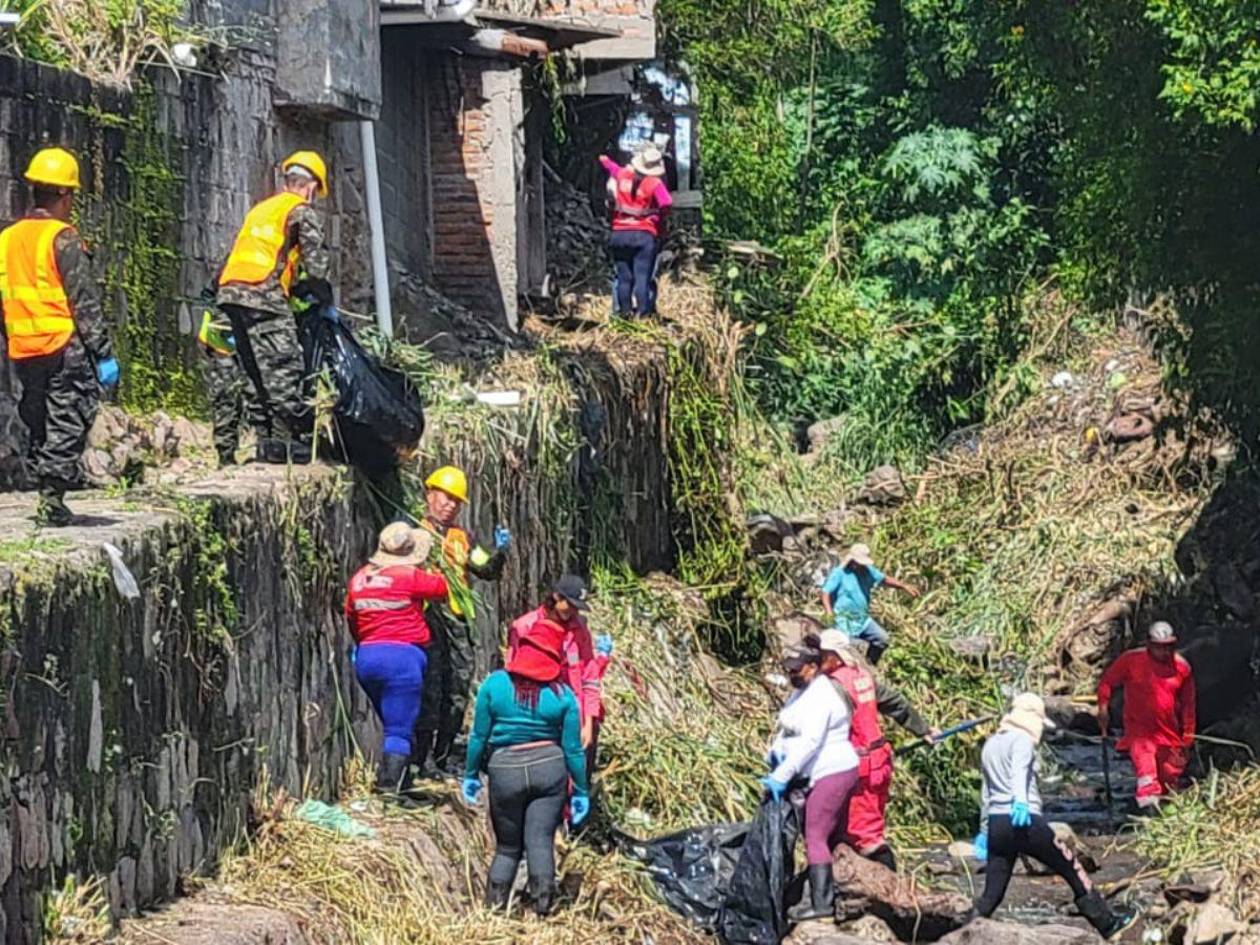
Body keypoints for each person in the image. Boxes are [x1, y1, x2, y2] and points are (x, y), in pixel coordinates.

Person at [0, 148, 118, 526]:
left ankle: (46, 482)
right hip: (63, 345)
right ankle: (52, 497)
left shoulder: (7, 239)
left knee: (37, 416)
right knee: (69, 415)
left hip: (24, 347)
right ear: (65, 195)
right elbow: (83, 301)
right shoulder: (62, 238)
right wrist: (102, 353)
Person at [974, 693, 1135, 937]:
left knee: (992, 894)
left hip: (998, 822)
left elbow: (986, 791)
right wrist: (1021, 803)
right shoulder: (1021, 741)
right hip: (1025, 820)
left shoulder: (991, 744)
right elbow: (1019, 773)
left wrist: (985, 829)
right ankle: (1108, 924)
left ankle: (960, 931)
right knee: (1072, 868)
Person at [462, 618, 589, 915]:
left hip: (505, 770)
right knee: (540, 842)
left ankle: (493, 911)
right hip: (549, 768)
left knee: (508, 848)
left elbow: (478, 736)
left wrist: (470, 774)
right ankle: (543, 911)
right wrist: (581, 789)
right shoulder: (563, 695)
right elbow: (573, 750)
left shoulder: (494, 685)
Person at [216, 150, 332, 465]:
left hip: (230, 293)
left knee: (254, 370)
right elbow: (316, 266)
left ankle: (266, 442)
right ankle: (291, 442)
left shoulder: (261, 209)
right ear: (311, 187)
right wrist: (323, 299)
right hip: (262, 294)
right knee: (284, 366)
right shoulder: (300, 211)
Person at [414, 465, 511, 773]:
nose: (450, 505)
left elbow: (486, 569)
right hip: (428, 620)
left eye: (456, 501)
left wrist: (499, 553)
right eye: (445, 497)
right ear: (430, 494)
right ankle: (422, 759)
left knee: (458, 687)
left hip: (456, 621)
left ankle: (443, 755)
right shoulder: (415, 532)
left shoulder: (462, 538)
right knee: (430, 688)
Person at [816, 628, 938, 871]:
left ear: (834, 656)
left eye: (821, 655)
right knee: (859, 828)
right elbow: (895, 702)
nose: (817, 660)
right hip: (878, 762)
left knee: (865, 835)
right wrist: (922, 729)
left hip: (859, 768)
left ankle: (891, 883)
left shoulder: (835, 686)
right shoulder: (861, 677)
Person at [344, 524, 448, 794]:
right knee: (398, 730)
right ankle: (388, 788)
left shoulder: (359, 579)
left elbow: (352, 618)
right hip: (402, 661)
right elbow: (441, 588)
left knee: (394, 720)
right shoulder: (409, 576)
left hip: (367, 658)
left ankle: (404, 782)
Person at [762, 643, 860, 923]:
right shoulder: (802, 691)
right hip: (816, 770)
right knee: (822, 835)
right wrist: (775, 755)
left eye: (797, 670)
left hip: (833, 771)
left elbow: (811, 742)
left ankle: (822, 904)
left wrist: (781, 776)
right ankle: (825, 893)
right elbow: (789, 728)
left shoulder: (823, 696)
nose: (791, 674)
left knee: (815, 834)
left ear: (813, 667)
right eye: (788, 670)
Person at [507, 575, 612, 776]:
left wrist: (588, 723)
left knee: (580, 773)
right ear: (556, 597)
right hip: (539, 714)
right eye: (569, 605)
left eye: (577, 608)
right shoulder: (525, 627)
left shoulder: (579, 629)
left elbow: (589, 678)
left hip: (573, 713)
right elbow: (513, 675)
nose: (572, 612)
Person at [1096, 621, 1196, 811]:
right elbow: (1107, 682)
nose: (1164, 652)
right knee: (1147, 776)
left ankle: (1165, 816)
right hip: (1139, 733)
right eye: (1159, 647)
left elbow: (1188, 705)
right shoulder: (1131, 661)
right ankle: (1146, 811)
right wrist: (1103, 708)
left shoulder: (1182, 668)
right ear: (1149, 645)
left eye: (1169, 647)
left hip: (1169, 735)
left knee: (1168, 779)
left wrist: (1188, 736)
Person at [598, 145, 672, 318]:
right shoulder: (654, 183)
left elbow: (611, 167)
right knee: (642, 278)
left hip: (619, 234)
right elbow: (666, 202)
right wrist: (659, 216)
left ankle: (625, 313)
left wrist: (603, 159)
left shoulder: (622, 174)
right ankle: (642, 314)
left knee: (624, 278)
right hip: (643, 235)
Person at [818, 543, 920, 664]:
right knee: (850, 649)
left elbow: (884, 579)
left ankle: (871, 662)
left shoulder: (868, 571)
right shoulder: (840, 573)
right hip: (843, 621)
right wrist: (829, 613)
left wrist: (903, 586)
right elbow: (825, 593)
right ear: (852, 561)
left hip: (862, 620)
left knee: (883, 639)